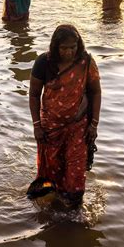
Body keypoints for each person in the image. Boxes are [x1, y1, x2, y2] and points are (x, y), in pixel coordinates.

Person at [29, 24, 102, 207]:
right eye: (64, 48)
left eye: (73, 47)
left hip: (79, 127)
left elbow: (95, 92)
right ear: (55, 47)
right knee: (53, 172)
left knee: (76, 175)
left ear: (79, 45)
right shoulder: (44, 63)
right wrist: (37, 126)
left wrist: (93, 125)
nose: (69, 52)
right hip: (50, 128)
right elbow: (34, 94)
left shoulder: (85, 62)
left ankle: (75, 211)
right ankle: (55, 207)